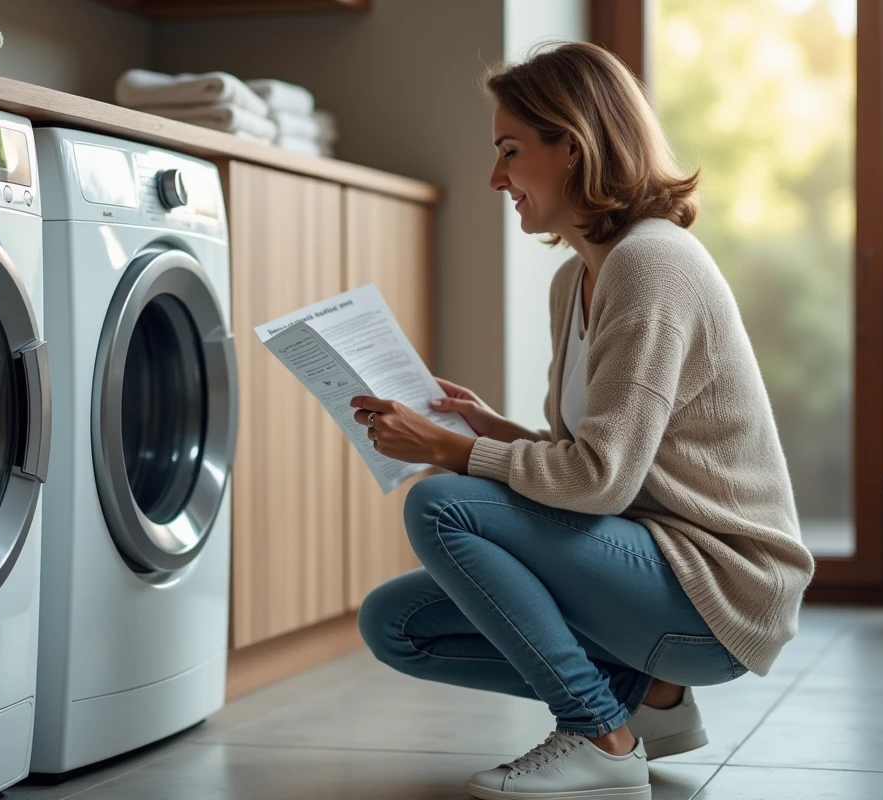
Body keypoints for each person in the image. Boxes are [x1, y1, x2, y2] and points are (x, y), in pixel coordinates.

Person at [348, 41, 815, 800]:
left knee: (440, 503)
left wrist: (449, 453)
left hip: (718, 590)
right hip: (652, 563)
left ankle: (601, 733)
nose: (496, 177)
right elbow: (595, 460)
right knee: (393, 624)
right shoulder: (578, 278)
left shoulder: (651, 263)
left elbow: (598, 482)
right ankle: (648, 701)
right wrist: (488, 427)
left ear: (573, 146)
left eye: (510, 150)